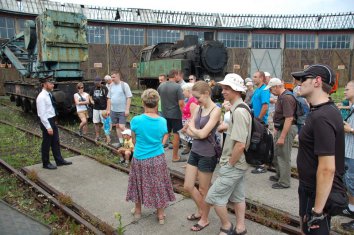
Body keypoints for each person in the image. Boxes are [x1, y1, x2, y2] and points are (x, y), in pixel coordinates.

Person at [292, 64, 345, 235]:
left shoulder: (323, 116)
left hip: (316, 192)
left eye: (303, 79)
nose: (299, 83)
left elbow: (327, 168)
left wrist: (318, 211)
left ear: (317, 81)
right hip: (309, 188)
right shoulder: (318, 111)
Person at [205, 73, 251, 235]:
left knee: (214, 197)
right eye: (223, 88)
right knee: (238, 196)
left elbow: (240, 145)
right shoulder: (241, 108)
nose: (223, 91)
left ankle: (227, 227)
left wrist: (229, 164)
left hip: (234, 163)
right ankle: (241, 227)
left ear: (237, 90)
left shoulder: (238, 112)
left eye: (227, 88)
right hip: (241, 163)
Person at [126, 89, 176, 225]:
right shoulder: (162, 121)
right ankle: (160, 214)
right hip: (157, 158)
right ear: (157, 103)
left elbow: (134, 140)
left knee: (138, 183)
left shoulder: (136, 120)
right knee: (158, 185)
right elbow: (165, 135)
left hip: (140, 158)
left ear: (143, 102)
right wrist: (161, 144)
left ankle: (137, 211)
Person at [181, 80, 221, 231]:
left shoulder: (215, 110)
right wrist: (196, 132)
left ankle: (204, 218)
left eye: (198, 97)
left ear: (206, 93)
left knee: (204, 190)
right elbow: (190, 132)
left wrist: (193, 130)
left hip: (207, 154)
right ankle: (201, 211)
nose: (196, 101)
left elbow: (201, 132)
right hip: (195, 151)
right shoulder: (198, 108)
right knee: (188, 185)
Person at [264, 78, 297, 189]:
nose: (271, 92)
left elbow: (289, 118)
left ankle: (284, 181)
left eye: (271, 89)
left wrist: (282, 136)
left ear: (277, 86)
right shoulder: (281, 97)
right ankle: (279, 174)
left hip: (286, 129)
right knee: (278, 153)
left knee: (284, 155)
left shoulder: (287, 98)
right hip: (281, 128)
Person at [36, 76, 72, 169]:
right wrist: (48, 127)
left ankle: (59, 160)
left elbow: (51, 109)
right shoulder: (41, 97)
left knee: (55, 141)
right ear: (44, 84)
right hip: (46, 121)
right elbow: (42, 114)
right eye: (50, 83)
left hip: (51, 119)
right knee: (47, 142)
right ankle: (46, 163)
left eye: (53, 83)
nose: (53, 85)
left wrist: (54, 120)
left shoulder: (49, 94)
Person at [158, 69, 186, 162]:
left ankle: (158, 155)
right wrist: (184, 114)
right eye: (178, 75)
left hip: (164, 114)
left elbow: (158, 99)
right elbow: (181, 103)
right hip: (175, 115)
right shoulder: (178, 87)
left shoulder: (161, 86)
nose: (178, 77)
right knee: (176, 135)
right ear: (175, 75)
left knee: (164, 134)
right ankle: (175, 157)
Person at [340, 80, 354, 232]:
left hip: (353, 154)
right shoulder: (352, 107)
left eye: (347, 89)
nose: (344, 91)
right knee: (349, 183)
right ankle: (351, 208)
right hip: (349, 152)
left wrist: (350, 130)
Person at [250, 71, 270, 174]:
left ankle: (262, 166)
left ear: (261, 78)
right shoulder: (257, 89)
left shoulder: (264, 90)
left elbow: (265, 106)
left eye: (255, 77)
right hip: (255, 120)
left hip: (260, 122)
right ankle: (257, 162)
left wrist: (258, 120)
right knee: (255, 142)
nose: (253, 79)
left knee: (261, 143)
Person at [106, 71, 133, 147]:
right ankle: (121, 143)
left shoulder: (124, 85)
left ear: (118, 77)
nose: (112, 78)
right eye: (111, 77)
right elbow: (109, 98)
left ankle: (131, 139)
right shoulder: (111, 86)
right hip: (113, 110)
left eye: (113, 77)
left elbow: (129, 97)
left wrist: (127, 109)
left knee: (122, 126)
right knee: (117, 126)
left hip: (122, 110)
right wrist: (108, 109)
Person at [180, 82, 199, 155]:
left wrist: (185, 127)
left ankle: (192, 162)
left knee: (192, 145)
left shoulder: (193, 101)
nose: (183, 92)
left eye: (184, 90)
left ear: (188, 91)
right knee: (191, 144)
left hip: (189, 126)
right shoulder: (190, 100)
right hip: (188, 125)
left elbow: (192, 117)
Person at [90, 77, 109, 141]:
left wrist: (108, 108)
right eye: (96, 82)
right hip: (95, 108)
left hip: (103, 108)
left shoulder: (104, 88)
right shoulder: (93, 88)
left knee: (105, 123)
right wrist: (91, 100)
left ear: (101, 81)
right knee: (96, 122)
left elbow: (108, 98)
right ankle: (97, 136)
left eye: (98, 82)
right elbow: (90, 95)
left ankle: (106, 137)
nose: (97, 83)